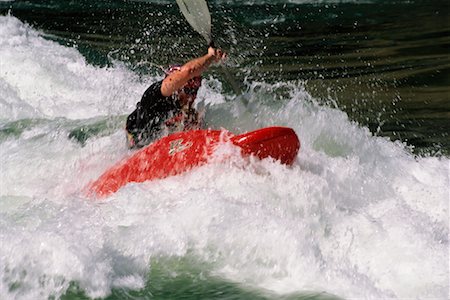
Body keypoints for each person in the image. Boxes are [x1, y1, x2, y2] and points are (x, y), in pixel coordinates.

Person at [125, 46, 226, 149]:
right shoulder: (156, 95)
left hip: (159, 141)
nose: (191, 96)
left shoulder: (187, 111)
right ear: (176, 88)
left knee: (193, 121)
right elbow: (188, 71)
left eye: (194, 91)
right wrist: (210, 57)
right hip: (137, 141)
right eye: (188, 91)